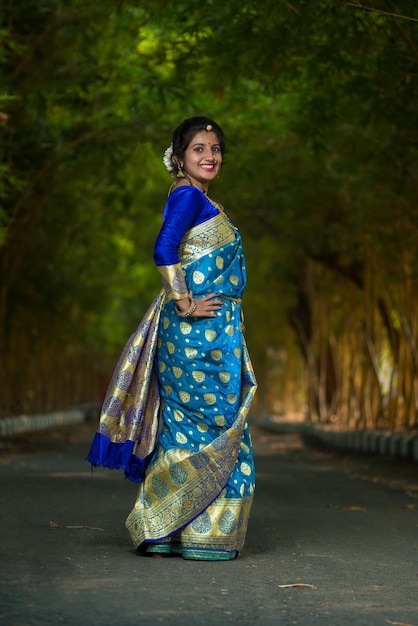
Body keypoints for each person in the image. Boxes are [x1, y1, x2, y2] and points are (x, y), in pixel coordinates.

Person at [86, 116, 257, 560]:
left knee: (186, 424)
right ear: (179, 158)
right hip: (198, 333)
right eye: (199, 148)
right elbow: (164, 248)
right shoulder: (187, 196)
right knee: (217, 421)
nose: (210, 156)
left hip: (206, 333)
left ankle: (164, 529)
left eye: (216, 148)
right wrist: (184, 303)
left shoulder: (199, 198)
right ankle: (205, 534)